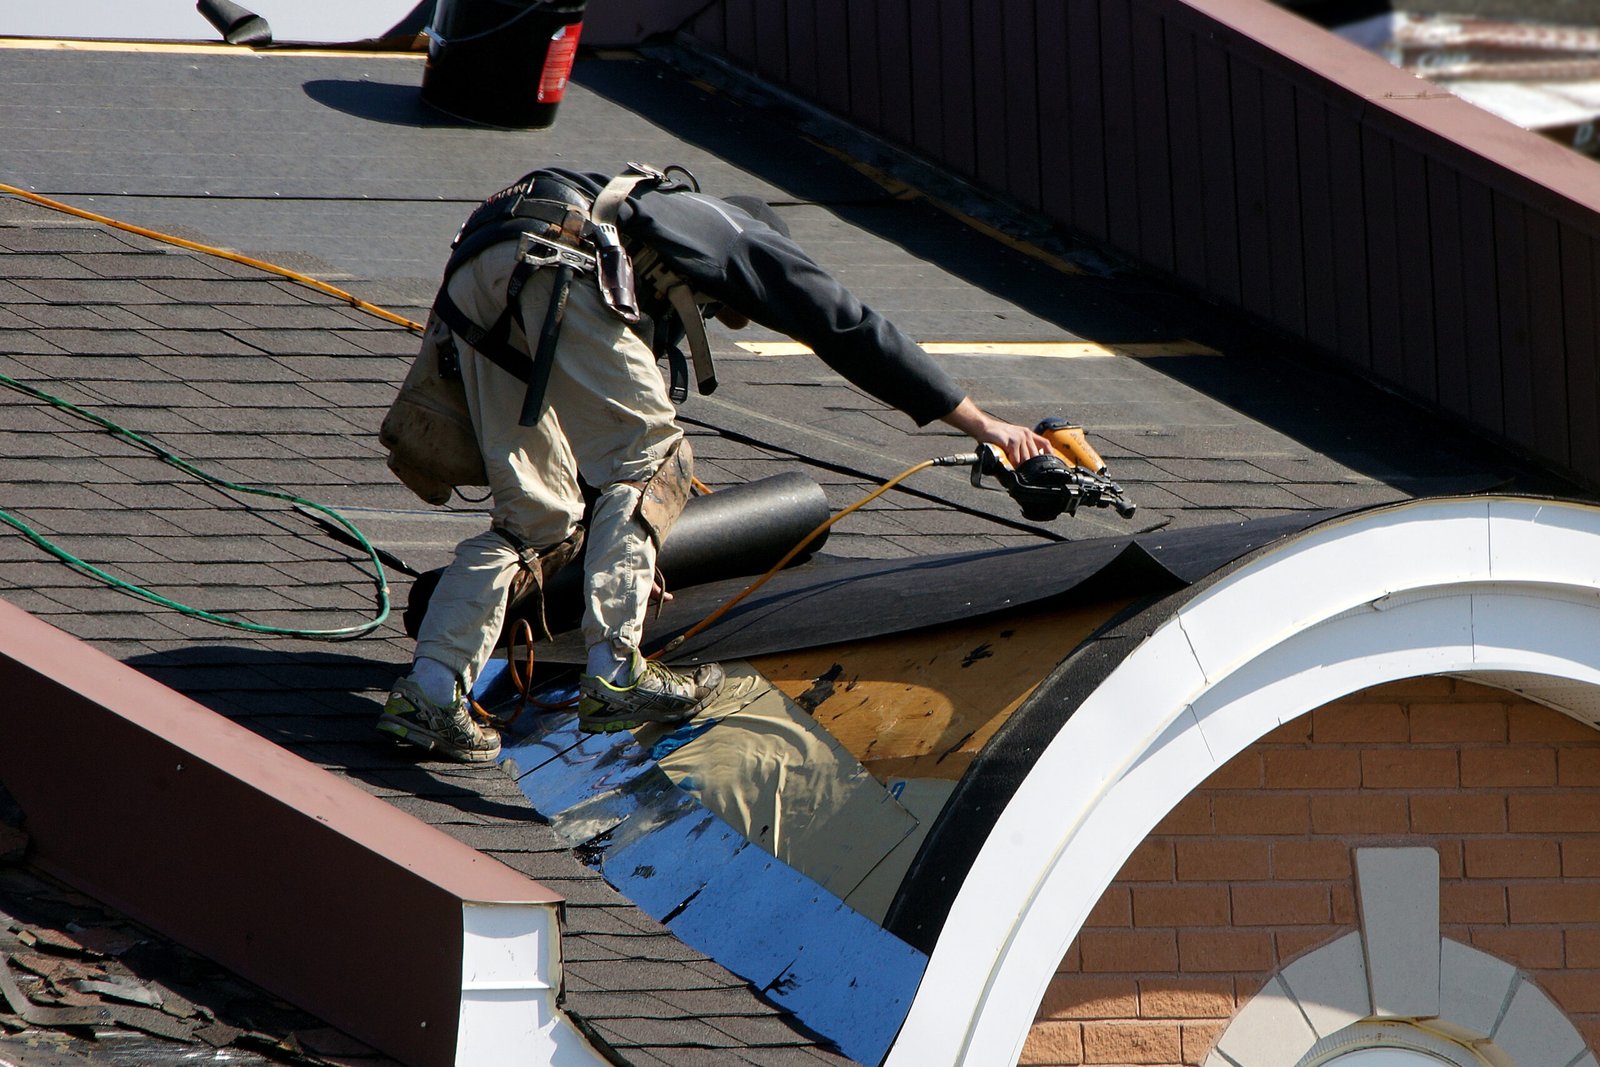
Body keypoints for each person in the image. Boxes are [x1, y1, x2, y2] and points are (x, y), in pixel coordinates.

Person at [377, 164, 1050, 763]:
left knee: (537, 520)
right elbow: (851, 327)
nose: (732, 316)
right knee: (656, 459)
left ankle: (432, 692)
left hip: (486, 267)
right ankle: (617, 671)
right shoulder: (736, 234)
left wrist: (629, 555)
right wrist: (983, 424)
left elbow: (601, 455)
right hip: (558, 261)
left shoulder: (654, 239)